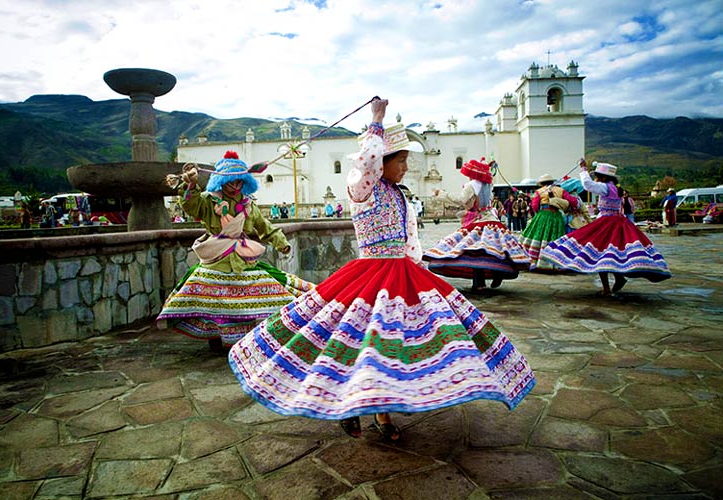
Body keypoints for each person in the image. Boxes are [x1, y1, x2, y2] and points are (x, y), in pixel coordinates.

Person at [228, 99, 534, 443]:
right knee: (361, 344)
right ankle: (359, 408)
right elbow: (367, 162)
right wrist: (376, 120)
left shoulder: (398, 195)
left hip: (402, 274)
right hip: (369, 275)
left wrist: (416, 267)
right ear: (381, 162)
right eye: (400, 160)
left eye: (407, 161)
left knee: (386, 347)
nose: (405, 167)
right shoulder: (363, 189)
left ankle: (382, 411)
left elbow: (409, 236)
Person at [157, 151, 313, 351]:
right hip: (216, 258)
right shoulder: (208, 200)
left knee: (256, 295)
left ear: (244, 181)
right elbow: (191, 206)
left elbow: (265, 226)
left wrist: (280, 242)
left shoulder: (249, 205)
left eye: (239, 182)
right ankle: (214, 338)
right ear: (221, 181)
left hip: (243, 258)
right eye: (231, 182)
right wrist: (190, 185)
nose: (235, 187)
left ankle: (243, 341)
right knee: (211, 300)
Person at [541, 160, 671, 296]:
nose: (596, 179)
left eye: (597, 177)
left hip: (607, 224)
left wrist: (583, 170)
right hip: (619, 223)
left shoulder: (606, 187)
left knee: (599, 253)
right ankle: (618, 279)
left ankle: (607, 288)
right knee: (610, 255)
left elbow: (587, 185)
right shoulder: (616, 189)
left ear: (603, 177)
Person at [424, 158, 530, 291]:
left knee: (474, 252)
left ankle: (479, 283)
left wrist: (441, 194)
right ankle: (498, 272)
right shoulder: (487, 185)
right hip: (493, 221)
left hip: (478, 221)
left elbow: (462, 200)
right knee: (493, 250)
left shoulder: (472, 185)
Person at [518, 173, 579, 271]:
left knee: (537, 236)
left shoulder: (539, 191)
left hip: (543, 215)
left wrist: (539, 213)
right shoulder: (561, 190)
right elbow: (573, 201)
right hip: (556, 216)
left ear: (542, 183)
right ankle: (555, 262)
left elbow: (534, 205)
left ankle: (535, 260)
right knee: (555, 237)